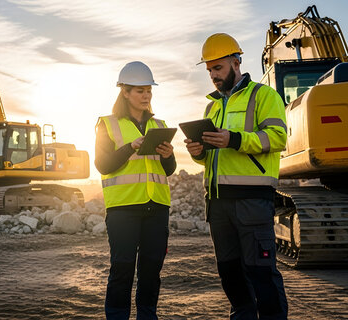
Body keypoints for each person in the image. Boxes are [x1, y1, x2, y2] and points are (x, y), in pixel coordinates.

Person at [186, 33, 289, 319]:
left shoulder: (264, 95)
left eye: (217, 68)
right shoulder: (213, 107)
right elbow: (212, 159)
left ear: (236, 62)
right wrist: (198, 152)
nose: (213, 76)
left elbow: (278, 138)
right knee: (230, 275)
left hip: (252, 202)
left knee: (261, 274)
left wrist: (234, 139)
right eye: (209, 71)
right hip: (218, 204)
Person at [95, 61, 176, 320]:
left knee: (151, 269)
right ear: (125, 93)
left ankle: (147, 316)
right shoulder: (107, 125)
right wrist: (131, 146)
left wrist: (168, 155)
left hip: (157, 206)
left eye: (148, 90)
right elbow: (102, 164)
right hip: (123, 208)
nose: (146, 95)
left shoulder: (159, 124)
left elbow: (168, 170)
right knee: (123, 268)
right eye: (140, 90)